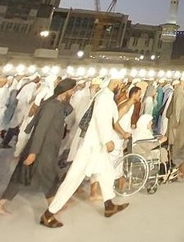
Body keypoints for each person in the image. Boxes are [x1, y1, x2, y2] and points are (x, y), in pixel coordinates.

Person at [41, 78, 128, 228]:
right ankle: (48, 214)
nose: (121, 86)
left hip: (96, 146)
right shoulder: (104, 98)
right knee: (73, 179)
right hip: (91, 146)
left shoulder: (104, 95)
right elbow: (101, 120)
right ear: (115, 82)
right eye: (119, 83)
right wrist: (107, 140)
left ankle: (109, 205)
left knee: (106, 173)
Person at [0, 79, 77, 216]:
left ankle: (53, 203)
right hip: (41, 149)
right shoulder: (52, 106)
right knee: (43, 176)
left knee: (34, 176)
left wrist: (65, 98)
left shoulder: (56, 103)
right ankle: (53, 205)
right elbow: (40, 130)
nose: (73, 93)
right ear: (66, 91)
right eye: (72, 90)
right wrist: (33, 153)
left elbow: (68, 110)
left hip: (47, 149)